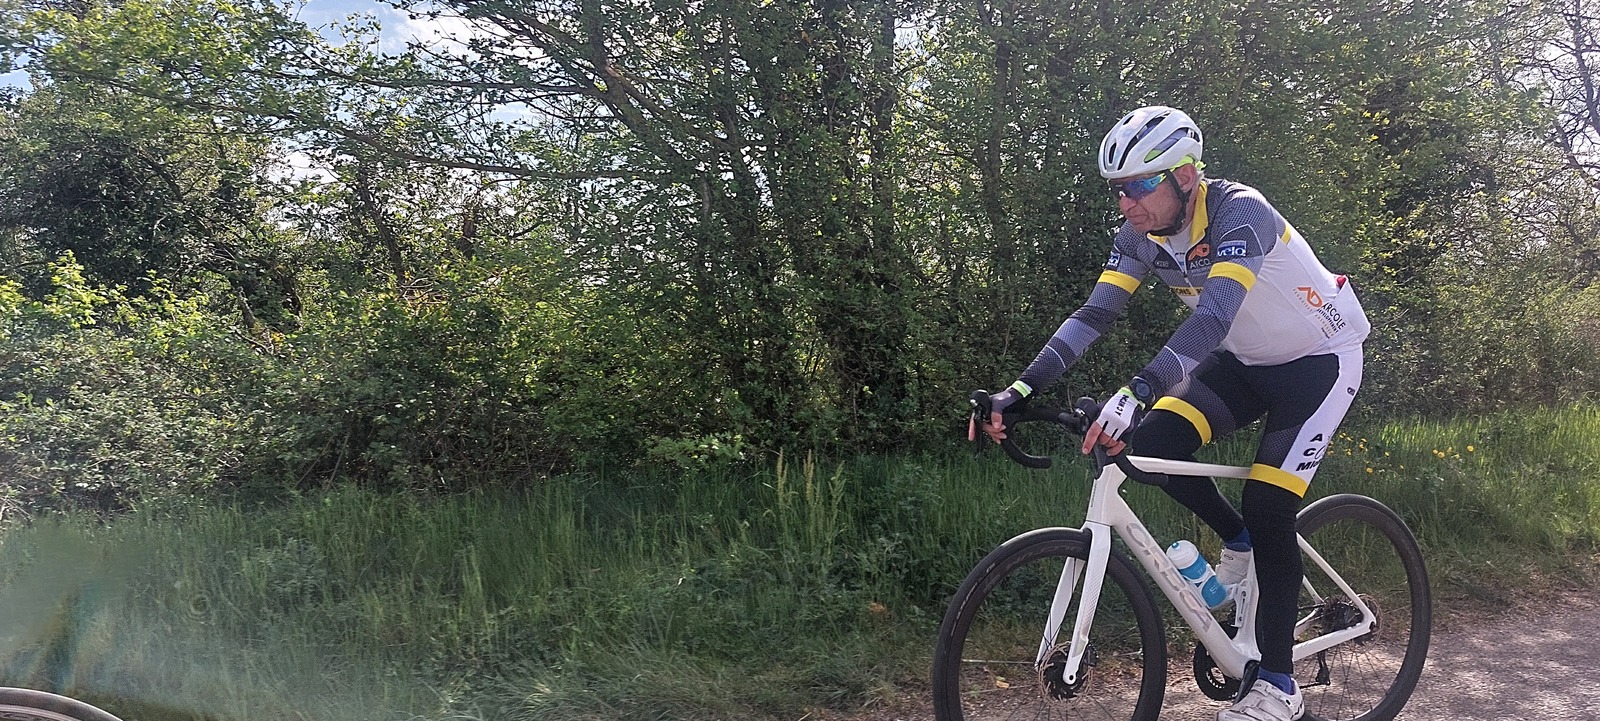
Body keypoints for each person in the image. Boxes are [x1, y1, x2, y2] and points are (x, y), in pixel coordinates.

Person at [980, 105, 1369, 721]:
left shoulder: (1241, 211)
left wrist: (1138, 389)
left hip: (1319, 362)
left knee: (1269, 504)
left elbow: (1212, 317)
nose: (1126, 204)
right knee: (1151, 446)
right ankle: (1238, 542)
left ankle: (1279, 685)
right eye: (1118, 190)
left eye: (1138, 186)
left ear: (1185, 176)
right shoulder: (1139, 236)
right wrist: (1020, 390)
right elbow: (1094, 315)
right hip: (1245, 361)